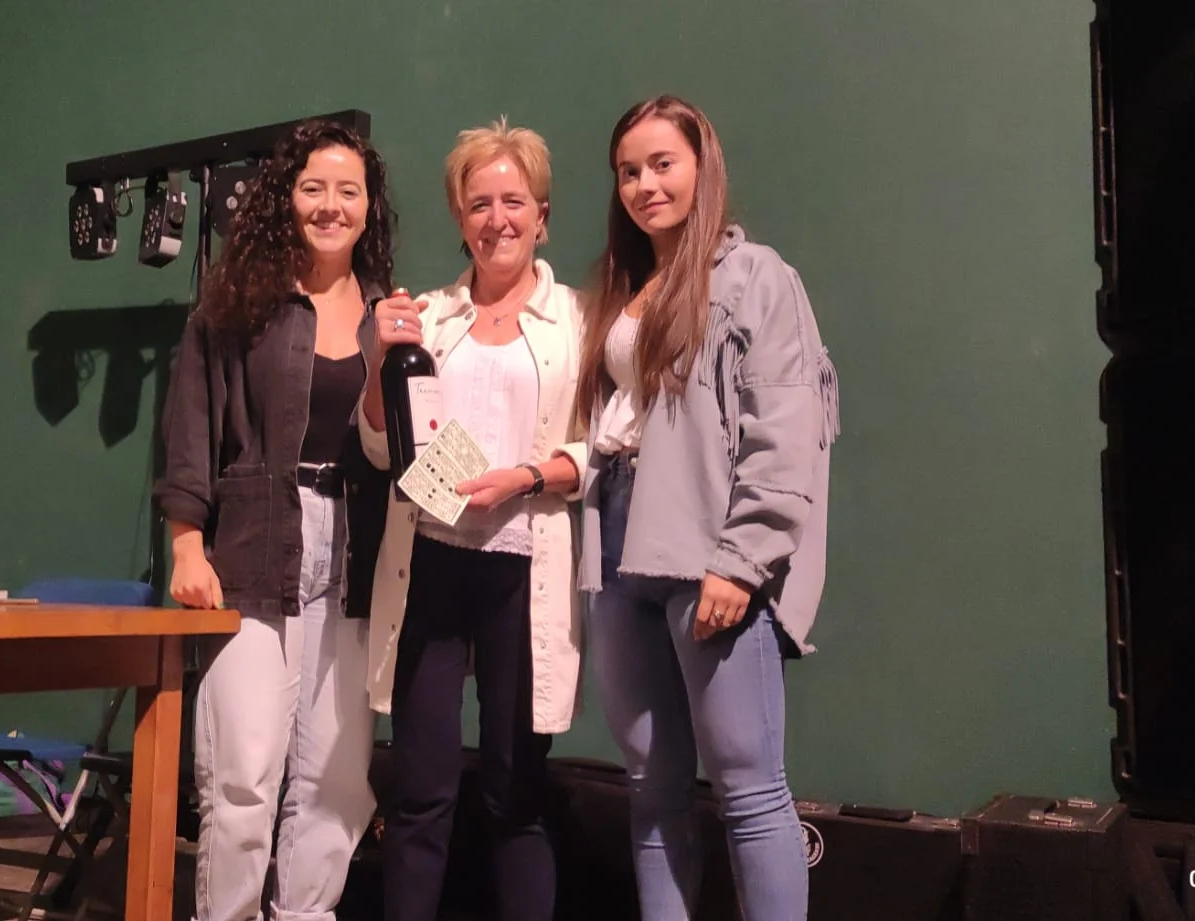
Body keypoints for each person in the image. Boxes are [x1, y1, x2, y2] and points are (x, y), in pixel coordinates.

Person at [575, 95, 839, 921]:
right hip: (618, 540)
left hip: (706, 547)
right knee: (651, 784)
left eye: (663, 164)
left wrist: (742, 557)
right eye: (629, 171)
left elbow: (785, 429)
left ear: (702, 166)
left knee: (748, 785)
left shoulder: (756, 275)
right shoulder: (625, 288)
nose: (645, 185)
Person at [153, 119, 398, 921]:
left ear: (369, 206)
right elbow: (191, 425)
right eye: (313, 187)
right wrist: (187, 545)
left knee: (338, 783)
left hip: (357, 556)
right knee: (242, 779)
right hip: (253, 550)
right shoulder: (237, 301)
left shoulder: (389, 312)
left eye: (348, 191)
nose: (331, 205)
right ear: (285, 197)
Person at [358, 118, 588, 921]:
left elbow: (604, 450)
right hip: (431, 563)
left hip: (525, 569)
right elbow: (380, 446)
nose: (497, 219)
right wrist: (378, 365)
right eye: (479, 203)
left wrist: (527, 477)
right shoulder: (429, 318)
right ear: (460, 217)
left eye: (513, 201)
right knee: (420, 790)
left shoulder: (579, 323)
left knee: (515, 791)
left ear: (541, 215)